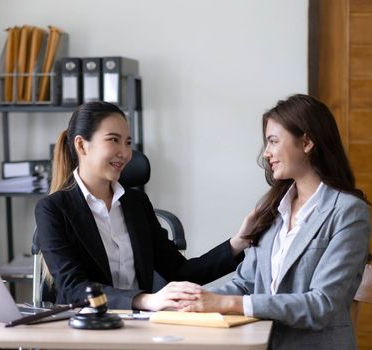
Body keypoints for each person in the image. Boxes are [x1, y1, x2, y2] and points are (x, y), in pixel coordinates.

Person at [179, 94, 371, 349]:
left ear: (306, 142)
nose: (266, 153)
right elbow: (246, 283)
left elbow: (322, 304)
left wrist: (227, 304)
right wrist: (192, 300)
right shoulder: (272, 209)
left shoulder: (348, 212)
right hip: (261, 343)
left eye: (273, 141)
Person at [35, 101, 251, 310]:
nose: (125, 153)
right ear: (82, 145)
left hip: (141, 326)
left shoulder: (136, 203)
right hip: (84, 327)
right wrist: (144, 301)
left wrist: (239, 242)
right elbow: (74, 287)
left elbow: (180, 270)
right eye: (114, 140)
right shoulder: (52, 209)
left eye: (128, 142)